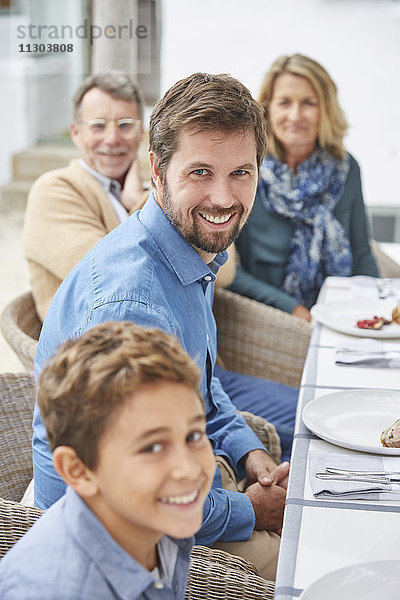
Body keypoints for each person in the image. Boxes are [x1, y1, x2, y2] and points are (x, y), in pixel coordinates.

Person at [33, 72, 293, 580]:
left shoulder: (190, 250)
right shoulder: (133, 304)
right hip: (116, 541)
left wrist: (250, 455)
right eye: (200, 172)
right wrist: (254, 511)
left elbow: (200, 386)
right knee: (319, 566)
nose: (223, 198)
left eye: (241, 172)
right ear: (156, 170)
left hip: (182, 479)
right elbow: (131, 494)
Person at [0, 321, 216, 599]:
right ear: (78, 470)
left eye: (193, 435)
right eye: (151, 448)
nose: (188, 469)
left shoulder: (151, 518)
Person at [23, 71, 235, 323]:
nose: (112, 139)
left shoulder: (157, 184)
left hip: (183, 346)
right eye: (98, 126)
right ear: (76, 133)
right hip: (105, 353)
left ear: (141, 133)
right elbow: (117, 280)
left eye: (125, 125)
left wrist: (149, 191)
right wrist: (143, 200)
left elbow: (225, 270)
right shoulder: (54, 190)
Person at [228, 53, 379, 321]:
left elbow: (362, 256)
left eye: (309, 103)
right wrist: (293, 310)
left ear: (326, 110)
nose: (295, 115)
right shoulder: (247, 170)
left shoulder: (346, 168)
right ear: (268, 108)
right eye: (284, 102)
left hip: (340, 315)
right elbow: (229, 271)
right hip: (270, 320)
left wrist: (371, 311)